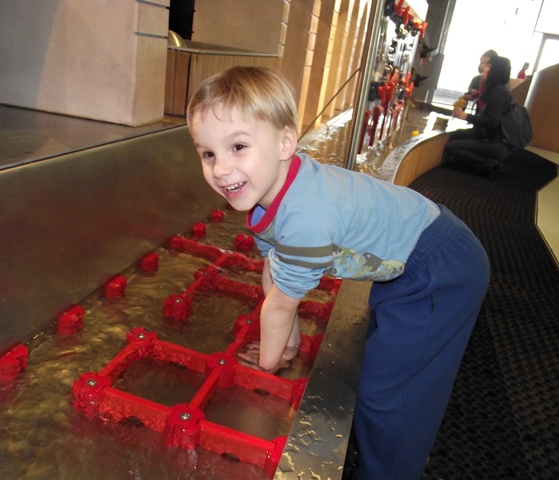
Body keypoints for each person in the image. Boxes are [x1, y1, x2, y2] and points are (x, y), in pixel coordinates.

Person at [186, 66, 490, 480]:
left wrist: (267, 366)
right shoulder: (268, 196)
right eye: (208, 154)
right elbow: (276, 274)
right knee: (386, 359)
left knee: (391, 394)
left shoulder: (304, 216)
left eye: (238, 147)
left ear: (285, 143)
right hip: (408, 258)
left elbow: (279, 308)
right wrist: (287, 346)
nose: (220, 169)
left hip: (439, 267)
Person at [444, 56, 514, 176]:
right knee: (456, 135)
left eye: (488, 66)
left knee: (451, 147)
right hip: (487, 136)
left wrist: (465, 116)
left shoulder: (498, 92)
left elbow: (492, 122)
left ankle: (489, 163)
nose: (484, 68)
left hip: (495, 144)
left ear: (495, 70)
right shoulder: (495, 88)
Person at [462, 49, 498, 113]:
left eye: (486, 64)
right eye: (481, 63)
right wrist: (472, 91)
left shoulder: (495, 83)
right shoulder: (477, 78)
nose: (483, 66)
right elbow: (471, 87)